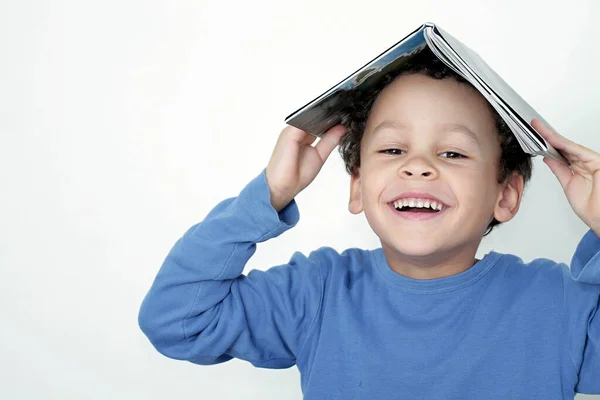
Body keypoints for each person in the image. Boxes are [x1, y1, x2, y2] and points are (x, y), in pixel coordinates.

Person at [138, 49, 600, 399]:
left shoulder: (558, 304)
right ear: (357, 187)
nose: (418, 167)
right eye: (393, 150)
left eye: (453, 153)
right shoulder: (316, 291)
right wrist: (269, 195)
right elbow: (177, 321)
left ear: (506, 194)